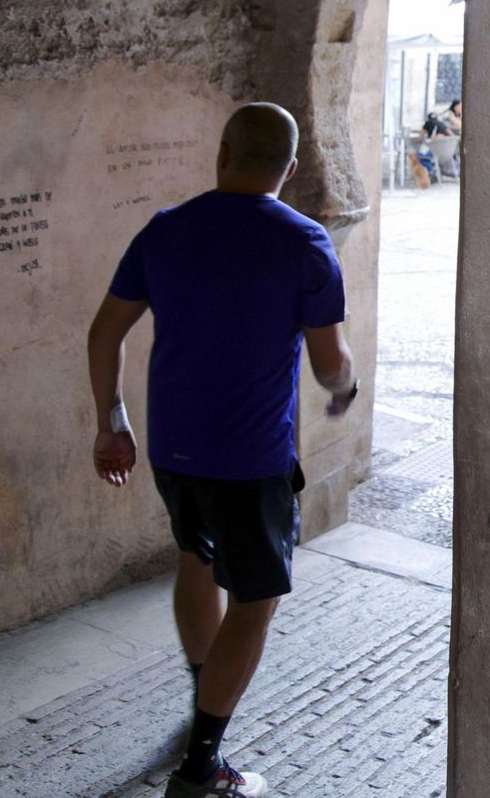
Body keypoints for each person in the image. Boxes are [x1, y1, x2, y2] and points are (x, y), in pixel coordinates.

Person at [87, 102, 359, 798]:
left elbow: (105, 333)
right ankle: (202, 767)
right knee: (256, 598)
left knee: (195, 557)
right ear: (292, 169)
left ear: (223, 152)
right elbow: (330, 364)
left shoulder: (166, 231)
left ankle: (202, 699)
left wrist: (112, 422)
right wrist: (345, 386)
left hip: (172, 451)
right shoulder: (304, 244)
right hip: (251, 459)